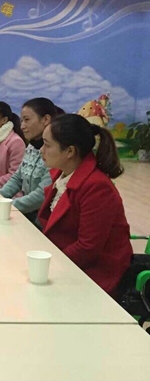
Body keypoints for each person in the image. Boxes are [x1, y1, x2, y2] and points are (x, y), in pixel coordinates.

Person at [38, 114, 132, 297]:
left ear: (70, 151)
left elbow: (87, 247)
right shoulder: (63, 174)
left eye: (47, 145)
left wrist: (51, 264)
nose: (41, 150)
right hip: (69, 261)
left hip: (96, 273)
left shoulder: (97, 187)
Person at [0, 98, 57, 223]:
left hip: (43, 221)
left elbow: (41, 195)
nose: (22, 126)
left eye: (27, 120)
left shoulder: (56, 151)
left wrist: (7, 206)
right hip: (26, 215)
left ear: (46, 119)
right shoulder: (31, 146)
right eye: (21, 121)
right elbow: (17, 178)